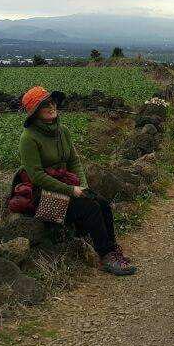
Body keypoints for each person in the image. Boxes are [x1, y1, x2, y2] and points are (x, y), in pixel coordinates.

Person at [17, 85, 136, 276]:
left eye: (52, 102)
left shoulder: (62, 131)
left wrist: (82, 185)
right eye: (44, 105)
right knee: (90, 208)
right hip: (42, 197)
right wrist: (71, 190)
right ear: (34, 113)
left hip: (67, 186)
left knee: (102, 203)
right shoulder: (28, 138)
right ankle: (105, 256)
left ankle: (113, 250)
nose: (51, 106)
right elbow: (37, 177)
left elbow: (74, 161)